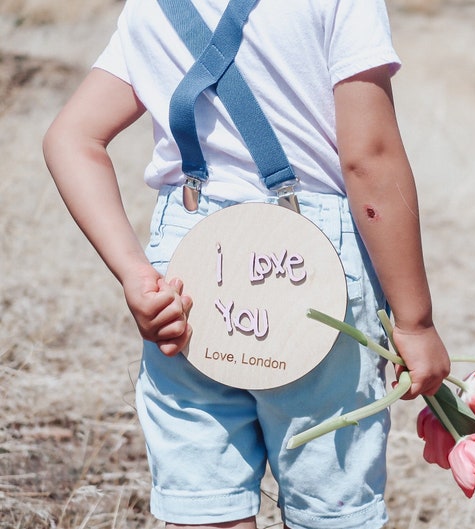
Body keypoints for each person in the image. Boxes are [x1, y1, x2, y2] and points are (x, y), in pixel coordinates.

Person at [42, 1, 450, 528]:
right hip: (308, 263)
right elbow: (367, 158)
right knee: (332, 505)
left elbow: (70, 137)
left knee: (204, 503)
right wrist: (416, 321)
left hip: (187, 268)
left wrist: (136, 274)